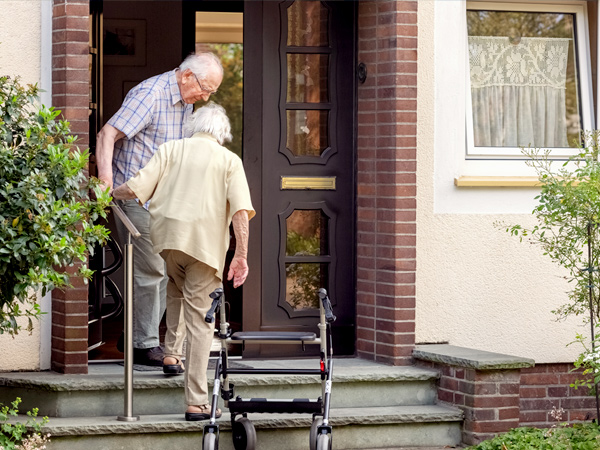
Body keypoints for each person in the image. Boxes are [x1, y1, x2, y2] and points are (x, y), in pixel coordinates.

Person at [111, 102, 255, 421]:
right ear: (222, 134)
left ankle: (172, 355)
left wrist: (106, 191)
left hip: (168, 241)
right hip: (203, 247)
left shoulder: (170, 149)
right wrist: (241, 256)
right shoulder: (229, 160)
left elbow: (135, 189)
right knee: (201, 324)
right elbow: (241, 213)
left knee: (176, 291)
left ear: (194, 127)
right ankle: (197, 401)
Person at [96, 52, 224, 366]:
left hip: (167, 201)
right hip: (136, 197)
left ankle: (137, 336)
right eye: (204, 89)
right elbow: (107, 133)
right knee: (151, 269)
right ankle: (143, 345)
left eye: (211, 93)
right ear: (186, 76)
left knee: (167, 270)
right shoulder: (150, 96)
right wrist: (105, 180)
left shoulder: (186, 101)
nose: (205, 97)